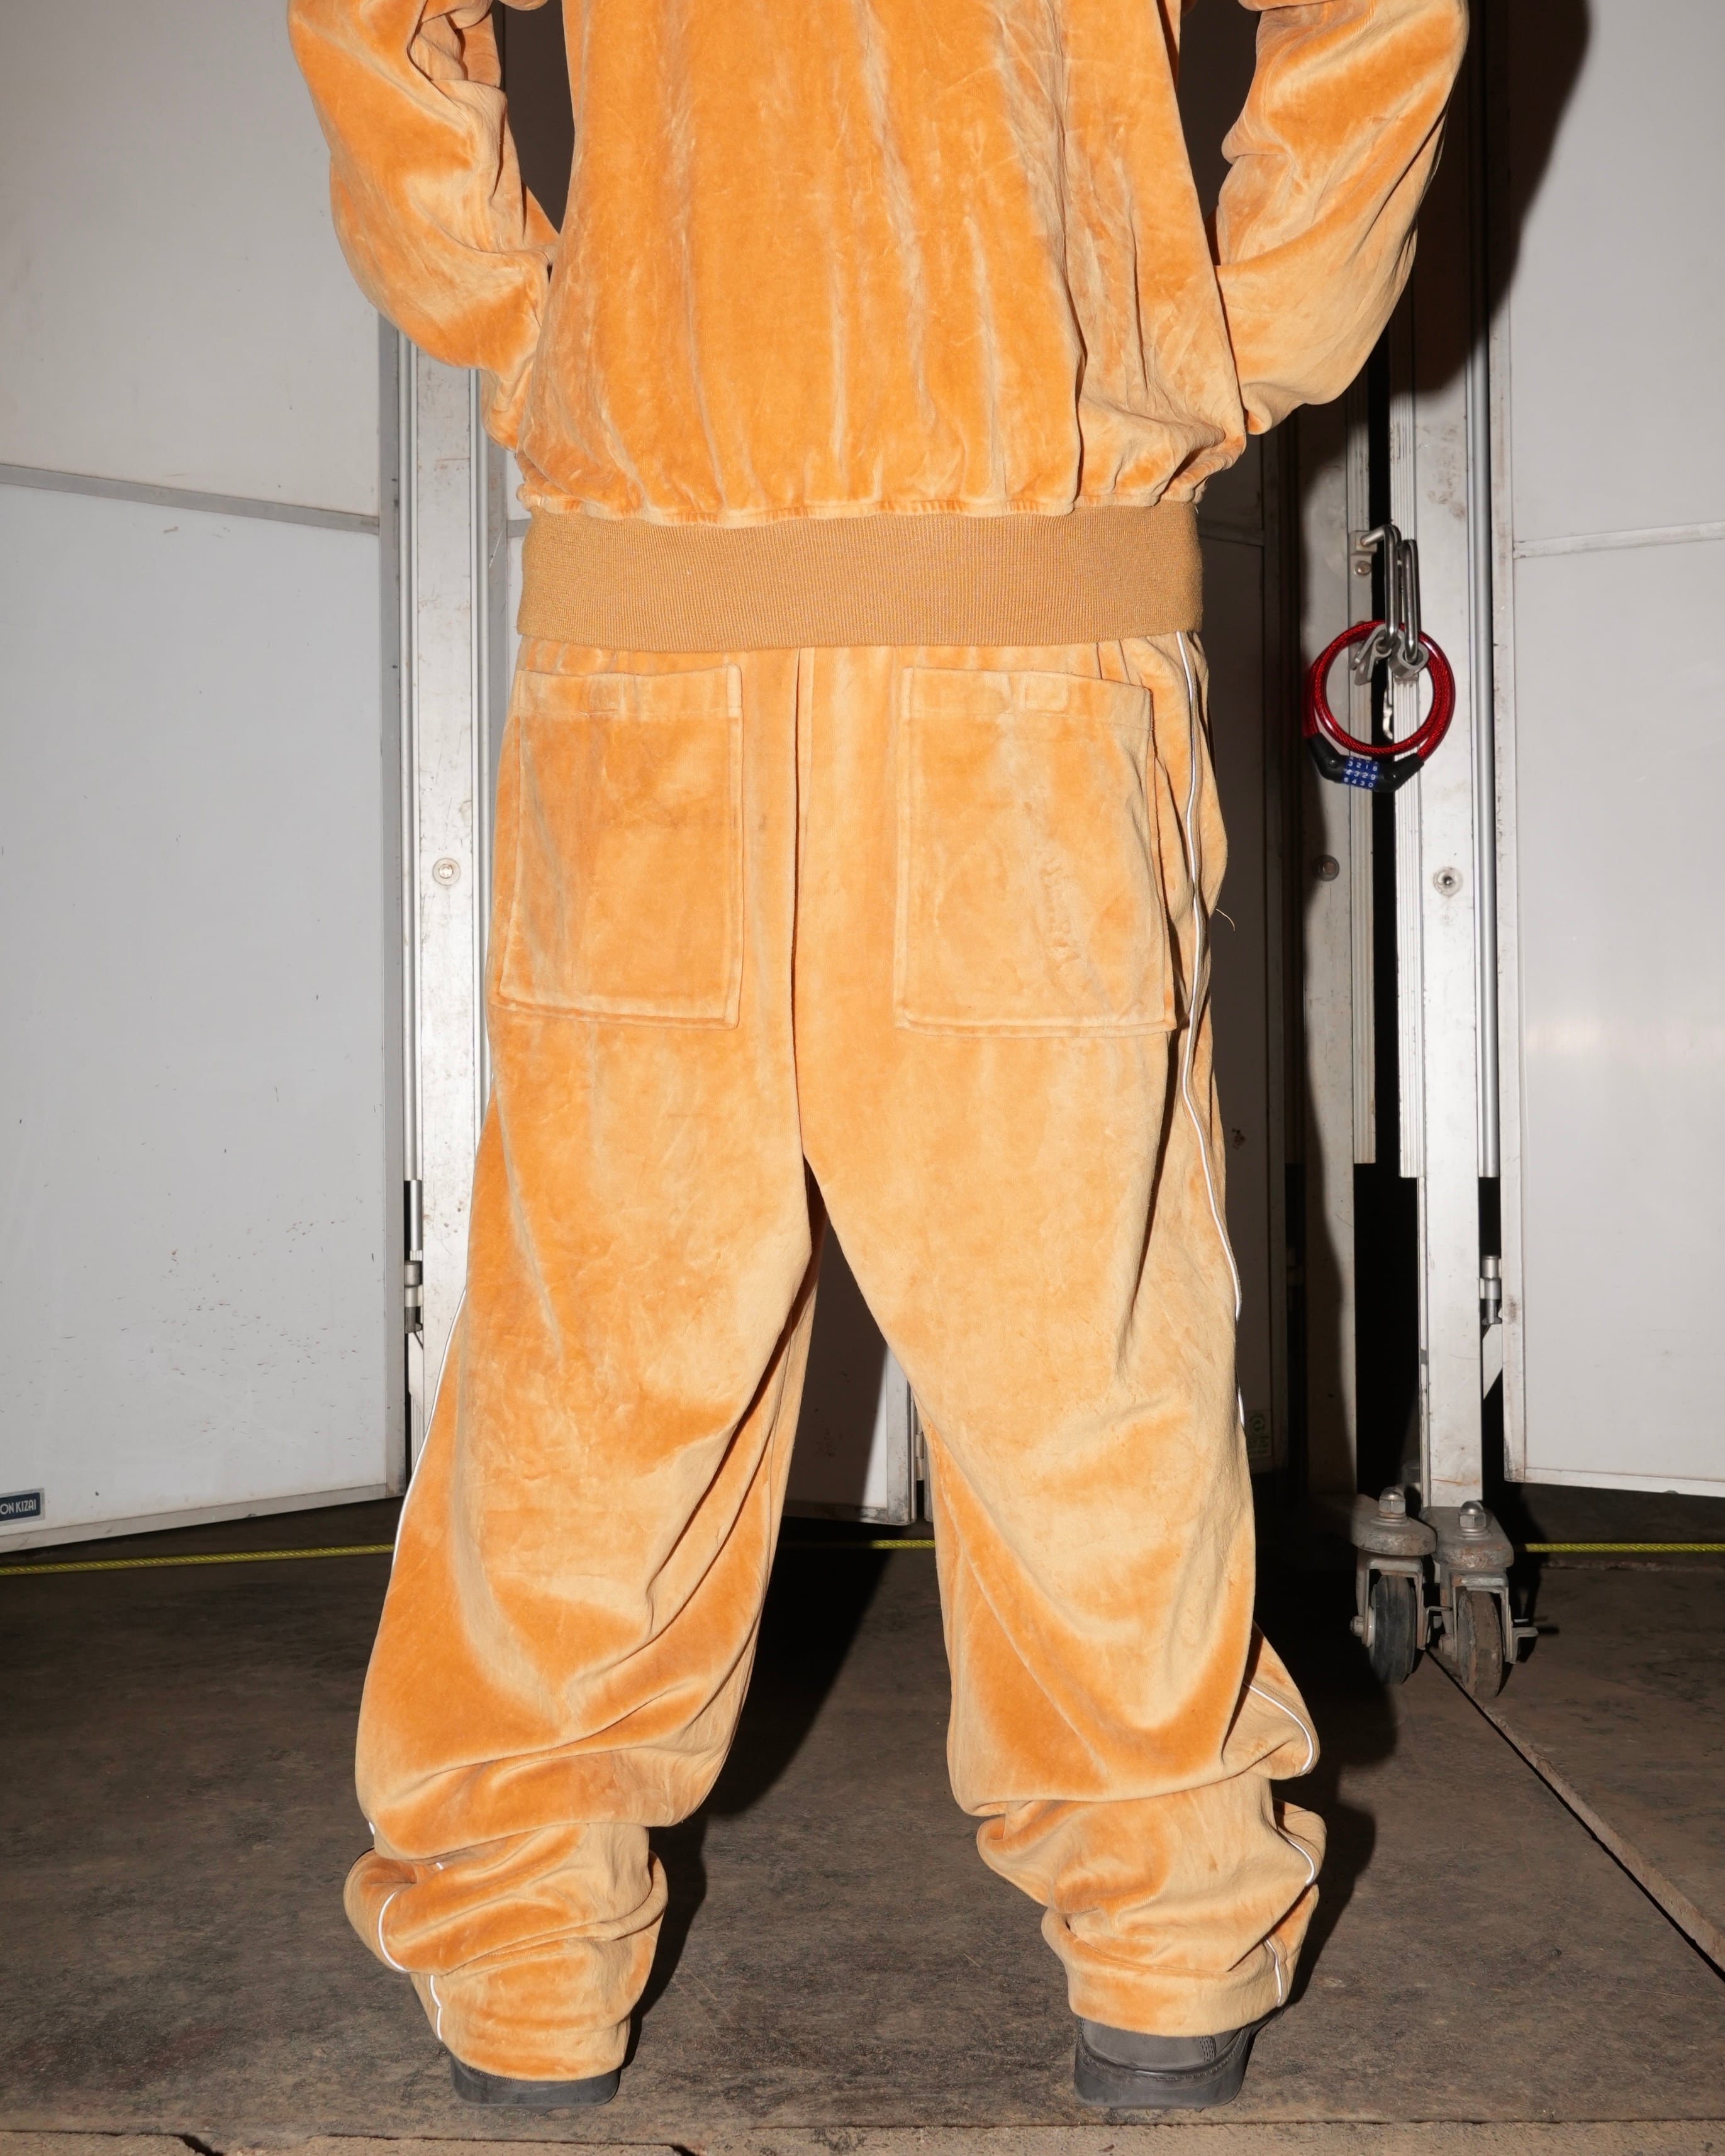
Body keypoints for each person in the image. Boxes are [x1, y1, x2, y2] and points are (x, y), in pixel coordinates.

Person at [290, 0, 1465, 2114]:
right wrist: (1217, 341)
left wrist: (523, 322)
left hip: (656, 655)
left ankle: (527, 1952)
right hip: (1026, 657)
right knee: (1083, 1347)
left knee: (596, 1363)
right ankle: (1169, 1947)